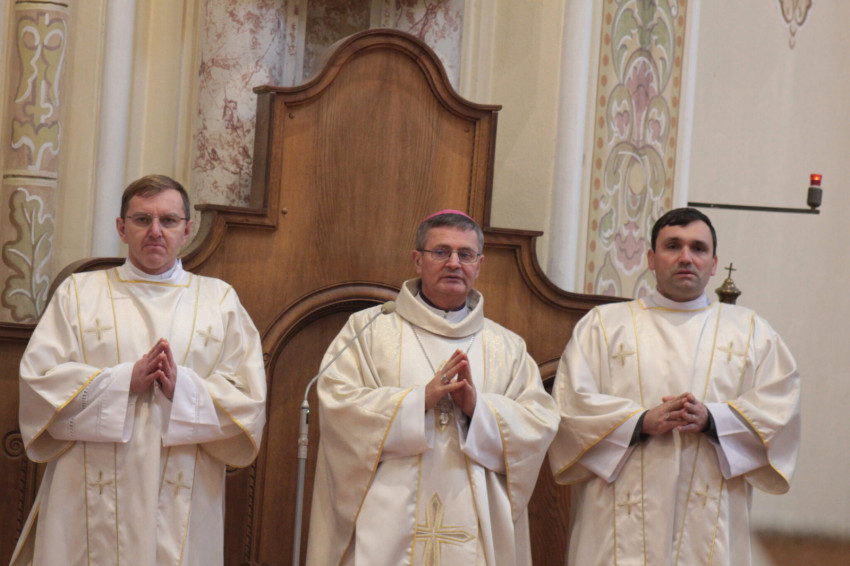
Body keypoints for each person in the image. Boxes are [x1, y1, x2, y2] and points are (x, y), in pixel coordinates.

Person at [10, 175, 267, 566]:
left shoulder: (219, 301)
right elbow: (39, 383)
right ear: (121, 228)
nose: (156, 231)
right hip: (85, 489)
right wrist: (122, 382)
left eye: (169, 220)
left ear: (187, 230)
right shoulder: (79, 293)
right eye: (142, 219)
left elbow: (248, 400)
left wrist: (184, 390)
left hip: (185, 486)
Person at [548, 207, 801, 566]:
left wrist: (713, 420)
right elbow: (570, 409)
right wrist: (641, 422)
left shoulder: (751, 332)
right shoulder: (604, 326)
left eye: (698, 248)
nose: (686, 257)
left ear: (713, 264)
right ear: (651, 259)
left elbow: (780, 412)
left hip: (709, 522)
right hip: (617, 518)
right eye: (673, 246)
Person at [305, 210, 558, 565]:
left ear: (479, 264)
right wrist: (417, 402)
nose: (454, 263)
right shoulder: (369, 330)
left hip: (475, 521)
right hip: (386, 521)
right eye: (441, 252)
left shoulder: (507, 347)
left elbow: (538, 422)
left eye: (465, 254)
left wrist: (478, 409)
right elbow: (338, 404)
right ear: (417, 260)